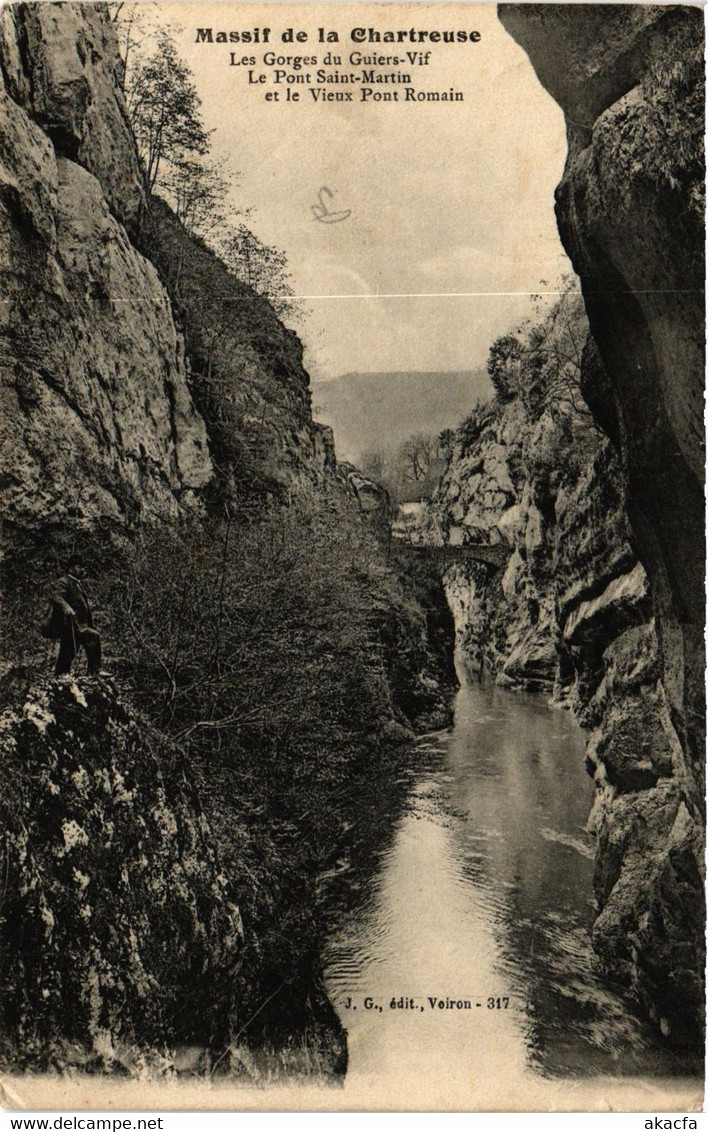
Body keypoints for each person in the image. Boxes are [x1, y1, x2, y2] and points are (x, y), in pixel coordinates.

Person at [40, 556, 102, 677]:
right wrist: (66, 607)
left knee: (68, 652)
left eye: (83, 567)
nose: (82, 570)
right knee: (92, 637)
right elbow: (56, 597)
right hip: (70, 626)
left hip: (78, 625)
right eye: (79, 567)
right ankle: (94, 671)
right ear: (70, 568)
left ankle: (62, 675)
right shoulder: (64, 581)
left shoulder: (76, 583)